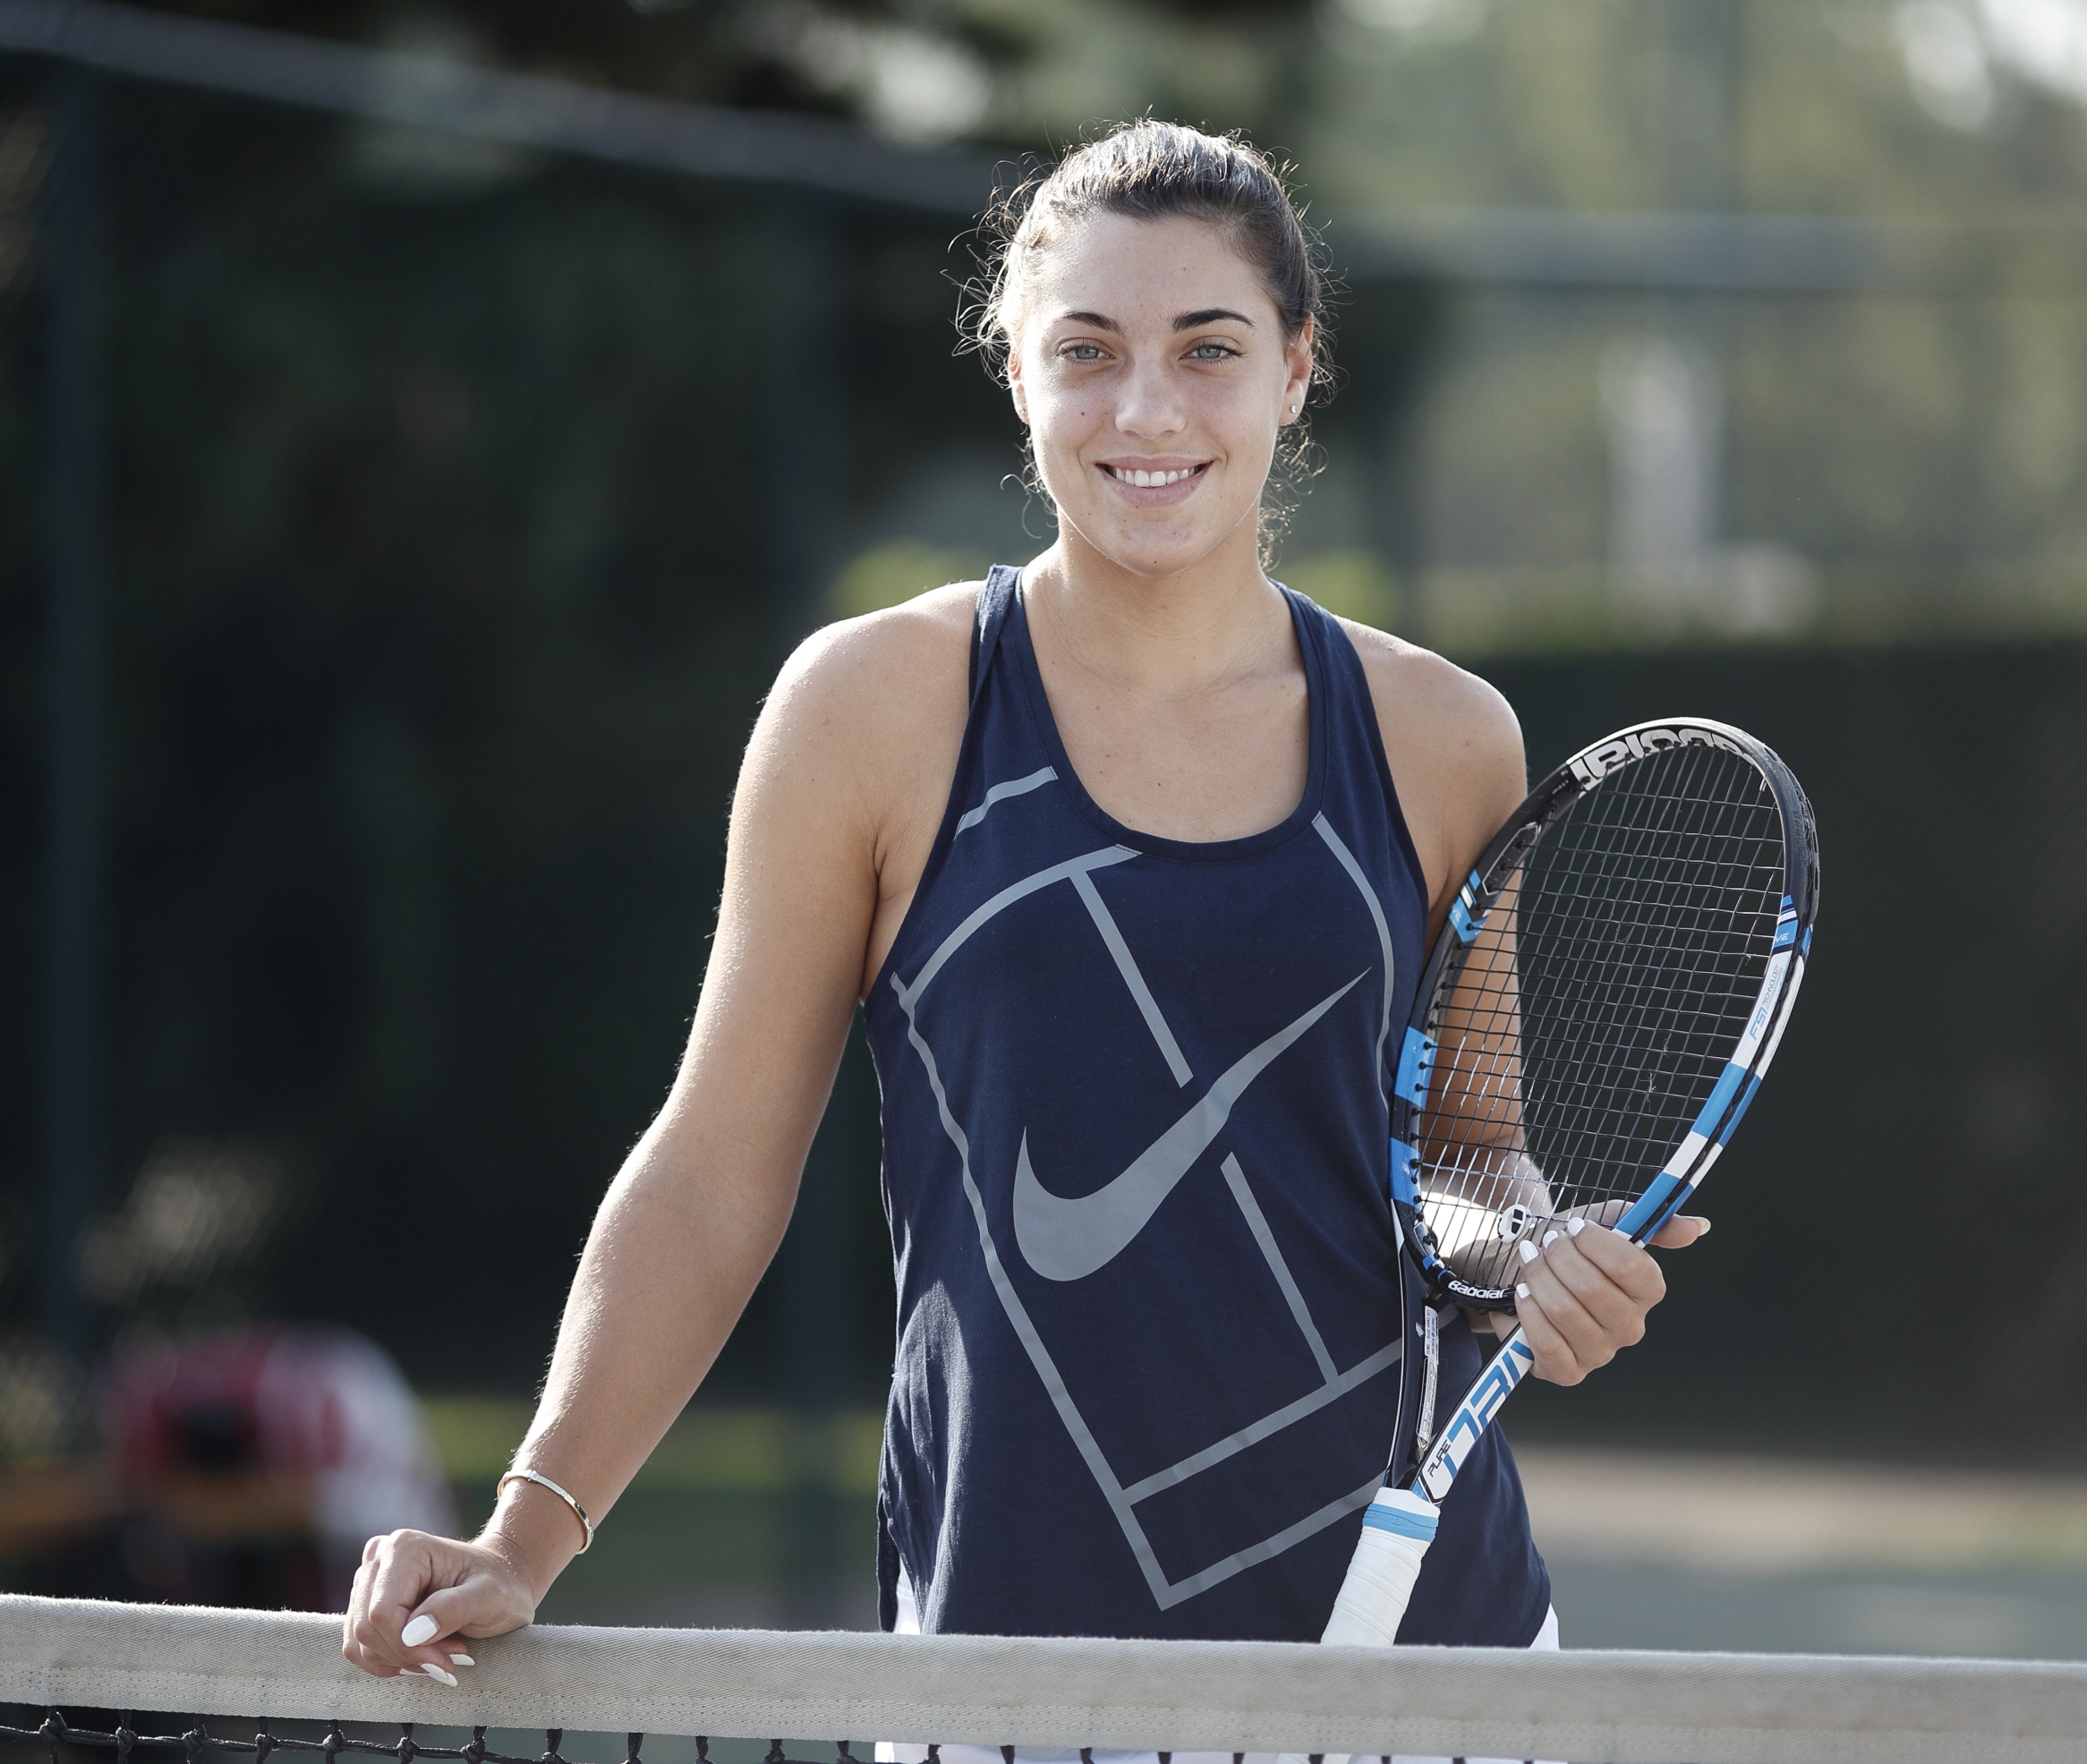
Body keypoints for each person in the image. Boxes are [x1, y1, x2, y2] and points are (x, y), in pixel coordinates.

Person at [340, 121, 1706, 1683]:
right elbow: (716, 1172)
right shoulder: (869, 711)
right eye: (1088, 350)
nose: (1147, 408)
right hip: (1008, 1659)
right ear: (1017, 374)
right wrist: (524, 1533)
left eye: (1209, 349)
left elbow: (1461, 1150)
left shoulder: (1441, 736)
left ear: (1294, 370)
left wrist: (1533, 1250)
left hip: (1426, 1642)